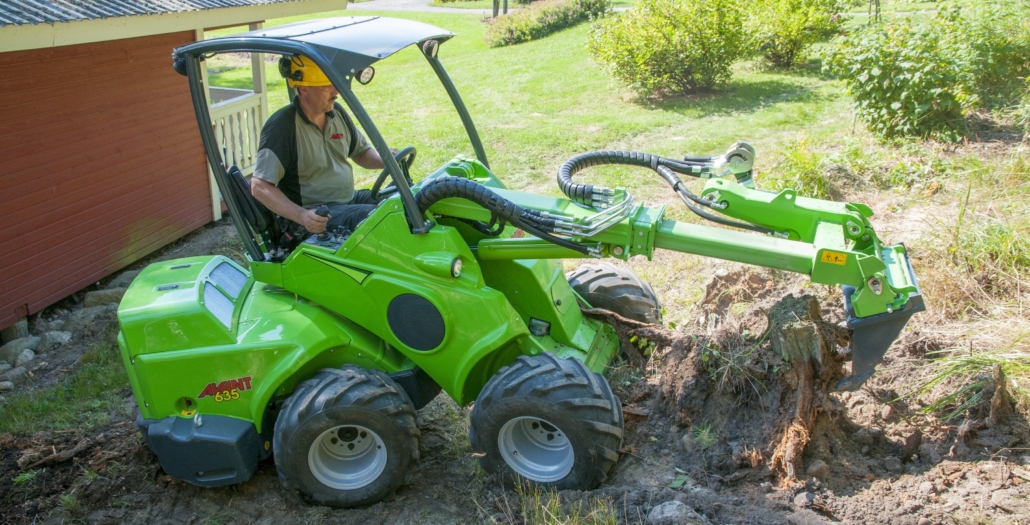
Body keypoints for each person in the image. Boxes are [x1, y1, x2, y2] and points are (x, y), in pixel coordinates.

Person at [251, 55, 391, 239]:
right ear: (303, 88)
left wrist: (388, 160)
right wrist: (302, 216)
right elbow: (259, 186)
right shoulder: (282, 127)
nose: (336, 91)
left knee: (398, 204)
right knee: (380, 219)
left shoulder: (336, 112)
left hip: (349, 199)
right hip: (316, 214)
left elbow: (361, 152)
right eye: (327, 86)